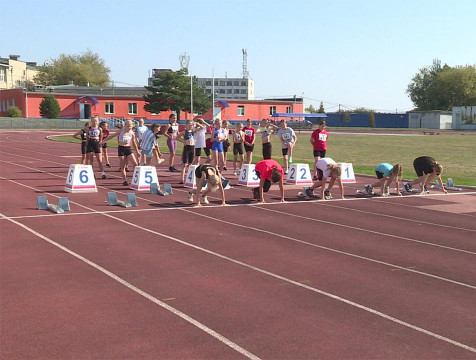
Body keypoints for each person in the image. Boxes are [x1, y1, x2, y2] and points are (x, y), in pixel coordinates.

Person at [106, 120, 140, 186]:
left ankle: (135, 178)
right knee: (123, 166)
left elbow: (134, 143)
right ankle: (124, 180)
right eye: (128, 126)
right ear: (125, 126)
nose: (129, 127)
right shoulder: (121, 131)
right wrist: (103, 141)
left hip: (128, 149)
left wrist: (137, 152)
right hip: (121, 148)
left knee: (135, 164)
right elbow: (112, 136)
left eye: (130, 126)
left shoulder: (132, 133)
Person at [86, 115, 106, 179]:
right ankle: (92, 173)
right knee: (90, 159)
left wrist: (100, 144)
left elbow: (101, 137)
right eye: (93, 121)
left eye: (96, 121)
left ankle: (102, 173)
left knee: (99, 159)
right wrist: (87, 144)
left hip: (96, 143)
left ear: (98, 121)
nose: (95, 122)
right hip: (90, 142)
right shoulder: (88, 128)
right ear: (91, 121)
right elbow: (87, 137)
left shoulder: (99, 129)